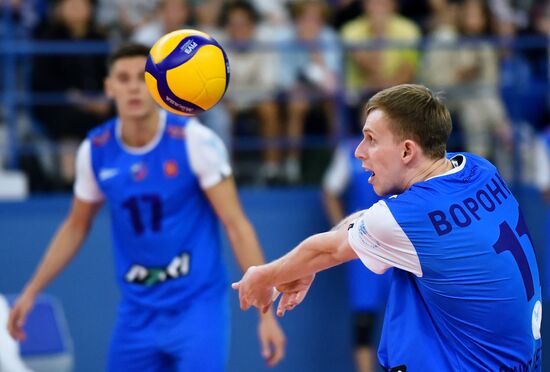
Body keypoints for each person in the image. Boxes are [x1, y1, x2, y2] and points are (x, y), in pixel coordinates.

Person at [8, 43, 285, 371]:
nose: (133, 87)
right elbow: (75, 226)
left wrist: (265, 313)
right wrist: (31, 291)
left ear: (157, 83)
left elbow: (236, 224)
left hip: (196, 307)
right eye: (123, 79)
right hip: (137, 311)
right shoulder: (95, 150)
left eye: (142, 77)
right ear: (109, 87)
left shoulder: (195, 141)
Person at [232, 84, 542, 370]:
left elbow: (330, 248)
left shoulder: (407, 218)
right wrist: (308, 265)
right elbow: (372, 220)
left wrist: (266, 275)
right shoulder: (479, 169)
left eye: (371, 139)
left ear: (408, 151)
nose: (359, 151)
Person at [322, 135, 390, 372]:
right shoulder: (350, 151)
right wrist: (342, 233)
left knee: (409, 318)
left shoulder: (405, 149)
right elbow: (330, 190)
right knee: (364, 321)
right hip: (365, 248)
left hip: (401, 245)